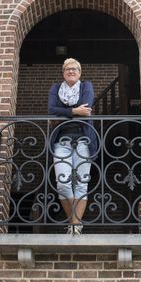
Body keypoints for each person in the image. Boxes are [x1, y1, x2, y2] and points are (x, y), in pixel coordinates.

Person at [48, 58, 96, 235]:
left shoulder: (86, 87)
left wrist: (64, 113)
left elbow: (87, 108)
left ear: (80, 72)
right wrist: (75, 111)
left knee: (82, 184)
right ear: (63, 72)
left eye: (75, 69)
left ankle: (74, 226)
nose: (71, 71)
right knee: (62, 183)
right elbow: (51, 109)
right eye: (67, 69)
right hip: (61, 142)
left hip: (84, 141)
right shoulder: (55, 89)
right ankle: (75, 222)